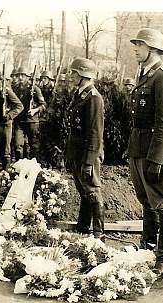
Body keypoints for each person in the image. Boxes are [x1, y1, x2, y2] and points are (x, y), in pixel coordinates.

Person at [129, 28, 163, 278]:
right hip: (139, 147)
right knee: (146, 201)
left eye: (139, 45)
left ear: (153, 48)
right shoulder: (144, 75)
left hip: (155, 150)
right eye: (136, 44)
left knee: (161, 201)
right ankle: (147, 249)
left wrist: (156, 158)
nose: (135, 48)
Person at [66, 57, 105, 237]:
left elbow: (95, 133)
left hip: (88, 152)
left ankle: (99, 232)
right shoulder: (79, 94)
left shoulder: (93, 98)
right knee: (83, 190)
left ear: (84, 74)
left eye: (74, 73)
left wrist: (89, 161)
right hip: (77, 151)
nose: (71, 76)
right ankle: (83, 227)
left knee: (92, 191)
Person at [12, 66, 46, 160]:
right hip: (19, 120)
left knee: (33, 145)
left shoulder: (34, 89)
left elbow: (43, 105)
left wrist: (35, 110)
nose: (20, 78)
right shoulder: (15, 88)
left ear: (27, 77)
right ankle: (19, 165)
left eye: (23, 76)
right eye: (19, 75)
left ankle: (33, 166)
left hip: (32, 121)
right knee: (18, 145)